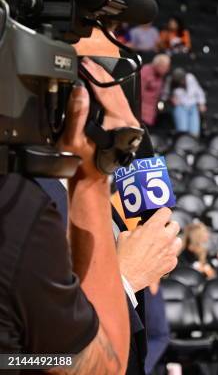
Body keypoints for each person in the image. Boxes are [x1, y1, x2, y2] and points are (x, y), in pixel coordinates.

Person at [0, 38, 155, 370]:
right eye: (98, 71)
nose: (117, 89)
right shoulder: (21, 200)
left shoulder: (126, 153)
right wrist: (124, 280)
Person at [165, 68, 206, 137]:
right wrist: (171, 99)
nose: (182, 82)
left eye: (183, 79)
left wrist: (201, 103)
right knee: (182, 130)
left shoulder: (190, 77)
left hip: (193, 106)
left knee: (194, 131)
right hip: (180, 107)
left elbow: (199, 91)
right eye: (180, 80)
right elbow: (165, 95)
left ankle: (193, 145)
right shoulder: (170, 81)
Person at [140, 54, 171, 128]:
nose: (167, 70)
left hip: (151, 111)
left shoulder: (161, 75)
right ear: (158, 64)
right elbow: (138, 92)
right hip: (142, 111)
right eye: (165, 67)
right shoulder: (145, 71)